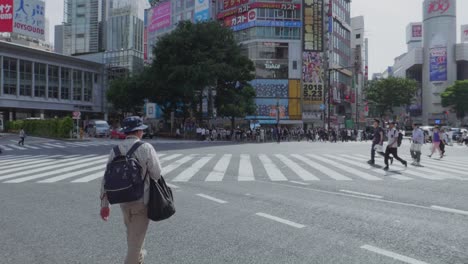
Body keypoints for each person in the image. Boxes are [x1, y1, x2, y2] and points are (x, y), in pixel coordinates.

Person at [99, 116, 162, 264]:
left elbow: (106, 179)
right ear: (139, 131)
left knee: (134, 239)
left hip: (123, 200)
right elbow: (157, 174)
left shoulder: (115, 150)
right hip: (141, 201)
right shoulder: (146, 148)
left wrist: (104, 205)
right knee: (135, 244)